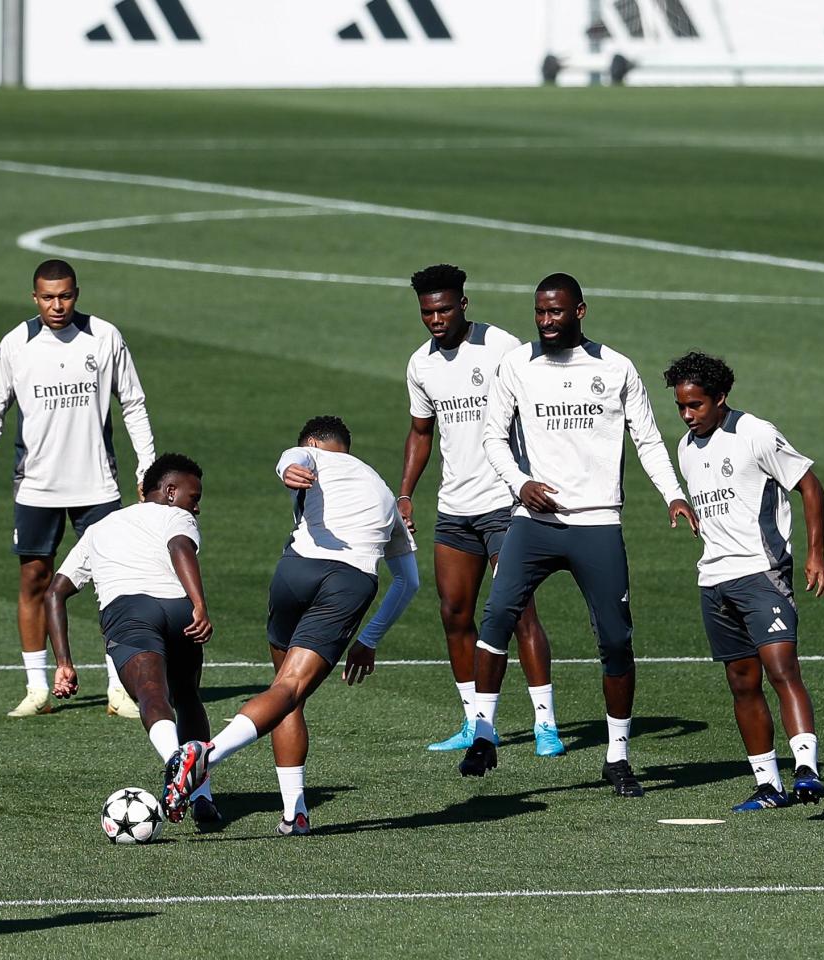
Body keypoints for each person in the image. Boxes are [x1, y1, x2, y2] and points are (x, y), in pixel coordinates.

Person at [465, 273, 696, 797]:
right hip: (535, 523)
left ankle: (617, 756)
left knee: (615, 639)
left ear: (580, 311)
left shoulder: (615, 368)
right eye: (540, 312)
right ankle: (483, 733)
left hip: (597, 524)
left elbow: (649, 439)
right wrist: (520, 483)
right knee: (497, 615)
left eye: (556, 312)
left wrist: (673, 494)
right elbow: (492, 437)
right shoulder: (516, 366)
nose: (546, 321)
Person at [163, 417, 417, 834]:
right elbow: (409, 581)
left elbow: (292, 457)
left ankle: (295, 813)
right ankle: (205, 756)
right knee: (289, 691)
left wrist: (287, 469)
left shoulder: (310, 457)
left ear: (316, 443)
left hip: (293, 572)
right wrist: (368, 639)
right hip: (348, 582)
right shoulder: (384, 491)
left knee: (286, 692)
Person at [0, 259, 157, 719]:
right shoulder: (15, 344)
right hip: (37, 487)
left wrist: (147, 467)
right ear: (34, 297)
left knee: (114, 583)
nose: (57, 305)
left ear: (77, 293)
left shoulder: (105, 337)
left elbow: (133, 403)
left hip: (98, 483)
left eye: (65, 295)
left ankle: (119, 689)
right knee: (34, 579)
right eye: (48, 297)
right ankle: (37, 689)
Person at [397, 264, 563, 757]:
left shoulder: (503, 348)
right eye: (427, 311)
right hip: (455, 506)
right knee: (454, 613)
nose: (435, 319)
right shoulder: (420, 365)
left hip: (504, 504)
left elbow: (541, 411)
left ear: (463, 304)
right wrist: (405, 492)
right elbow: (421, 433)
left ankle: (544, 724)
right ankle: (474, 721)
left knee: (517, 612)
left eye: (444, 309)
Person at [663, 352, 824, 811]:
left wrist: (815, 554)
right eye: (681, 406)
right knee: (741, 683)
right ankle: (768, 786)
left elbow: (810, 485)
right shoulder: (686, 448)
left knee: (782, 670)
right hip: (713, 580)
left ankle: (807, 772)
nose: (687, 415)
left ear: (721, 398)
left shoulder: (755, 432)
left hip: (762, 573)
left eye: (696, 405)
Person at [44, 453, 225, 831]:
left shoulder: (98, 528)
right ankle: (202, 797)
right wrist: (199, 605)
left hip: (130, 614)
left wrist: (64, 661)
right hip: (178, 610)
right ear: (170, 491)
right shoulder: (177, 517)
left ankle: (176, 765)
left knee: (151, 695)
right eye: (194, 497)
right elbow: (180, 548)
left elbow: (55, 593)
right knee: (188, 696)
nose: (197, 506)